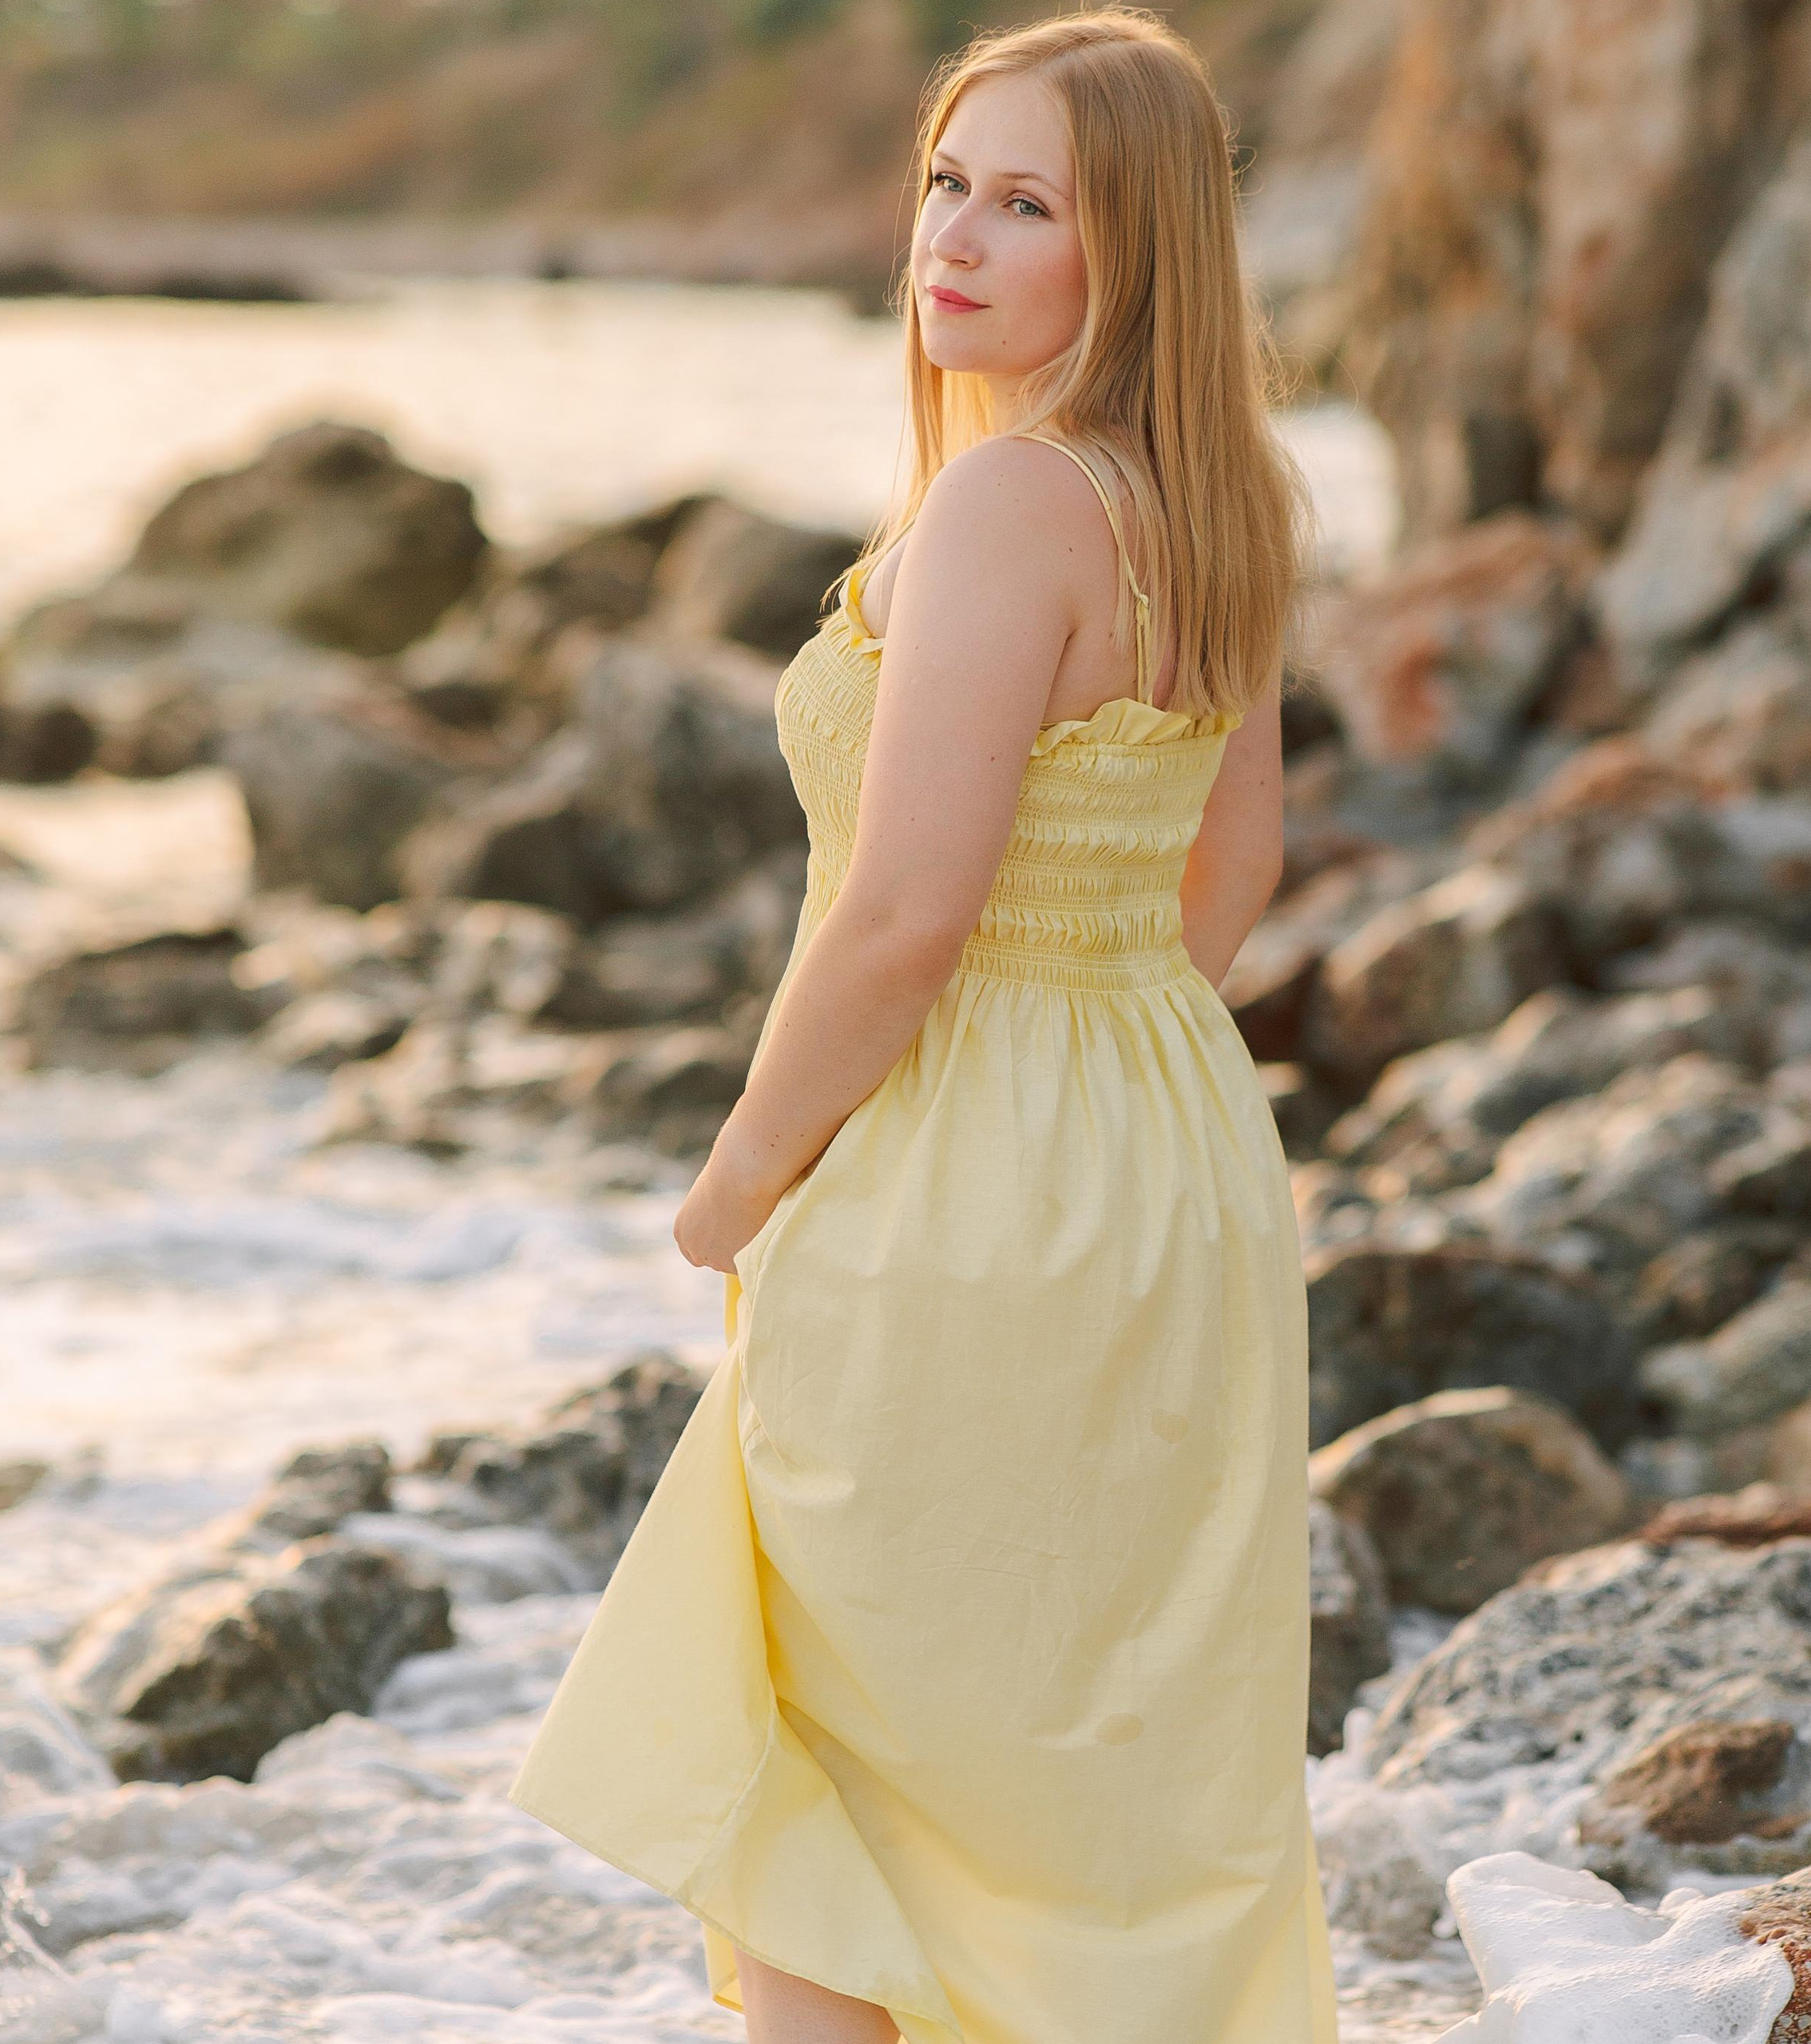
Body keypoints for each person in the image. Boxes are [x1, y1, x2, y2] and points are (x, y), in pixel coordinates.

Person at [506, 9, 1337, 2041]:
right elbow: (1222, 877)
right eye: (945, 182)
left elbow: (898, 914)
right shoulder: (1220, 499)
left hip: (961, 1176)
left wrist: (735, 1184)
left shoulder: (1006, 507)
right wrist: (1101, 1087)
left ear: (1126, 256)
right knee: (1072, 1783)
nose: (950, 239)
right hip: (1165, 1165)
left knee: (834, 1763)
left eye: (1025, 201)